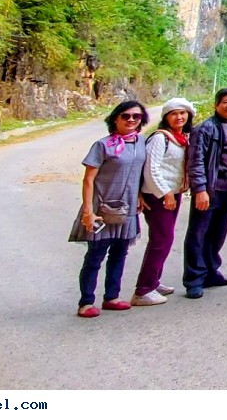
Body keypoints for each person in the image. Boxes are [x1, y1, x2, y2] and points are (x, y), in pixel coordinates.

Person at [70, 100, 149, 317]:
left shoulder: (140, 142)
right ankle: (86, 302)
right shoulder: (102, 145)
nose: (131, 120)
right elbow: (88, 180)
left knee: (120, 253)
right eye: (126, 116)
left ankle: (112, 297)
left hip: (128, 209)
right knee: (95, 255)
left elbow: (138, 173)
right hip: (102, 209)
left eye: (137, 116)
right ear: (115, 118)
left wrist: (140, 195)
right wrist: (88, 211)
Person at [131, 97, 193, 306]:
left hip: (172, 194)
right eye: (174, 113)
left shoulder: (181, 137)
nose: (179, 117)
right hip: (158, 195)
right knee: (161, 240)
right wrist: (165, 193)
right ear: (166, 116)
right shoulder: (160, 138)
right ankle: (143, 290)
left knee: (164, 240)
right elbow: (152, 168)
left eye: (183, 113)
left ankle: (154, 281)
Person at [183, 88, 227, 298]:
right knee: (198, 233)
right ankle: (194, 279)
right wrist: (200, 189)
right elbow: (196, 160)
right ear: (216, 104)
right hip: (210, 188)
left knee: (219, 232)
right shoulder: (205, 128)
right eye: (226, 101)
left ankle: (210, 271)